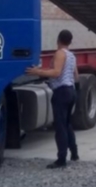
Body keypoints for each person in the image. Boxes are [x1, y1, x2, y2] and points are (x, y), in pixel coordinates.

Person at [26, 29, 79, 168]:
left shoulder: (60, 53)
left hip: (61, 92)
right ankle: (74, 153)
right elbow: (76, 76)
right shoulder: (72, 56)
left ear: (58, 40)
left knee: (60, 127)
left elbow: (56, 72)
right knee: (67, 124)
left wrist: (37, 72)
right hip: (71, 91)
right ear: (70, 41)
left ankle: (61, 159)